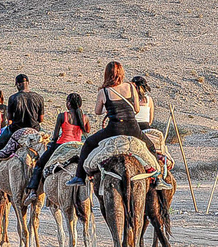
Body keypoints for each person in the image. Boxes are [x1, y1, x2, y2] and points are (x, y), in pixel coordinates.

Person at [66, 61, 171, 190]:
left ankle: (79, 177)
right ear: (121, 73)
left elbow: (98, 112)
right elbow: (136, 109)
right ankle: (158, 178)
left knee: (88, 143)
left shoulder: (104, 92)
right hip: (133, 128)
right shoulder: (132, 87)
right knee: (150, 146)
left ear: (106, 74)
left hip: (114, 129)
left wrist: (110, 109)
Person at [24, 93, 90, 205]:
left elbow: (55, 136)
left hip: (62, 145)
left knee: (39, 164)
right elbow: (87, 131)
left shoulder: (62, 116)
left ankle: (33, 190)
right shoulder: (85, 118)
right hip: (78, 146)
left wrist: (51, 143)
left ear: (68, 103)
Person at [0, 74, 45, 186]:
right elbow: (41, 119)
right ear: (27, 82)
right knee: (47, 146)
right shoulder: (39, 97)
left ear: (18, 84)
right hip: (34, 130)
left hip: (16, 129)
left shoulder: (14, 98)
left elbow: (9, 118)